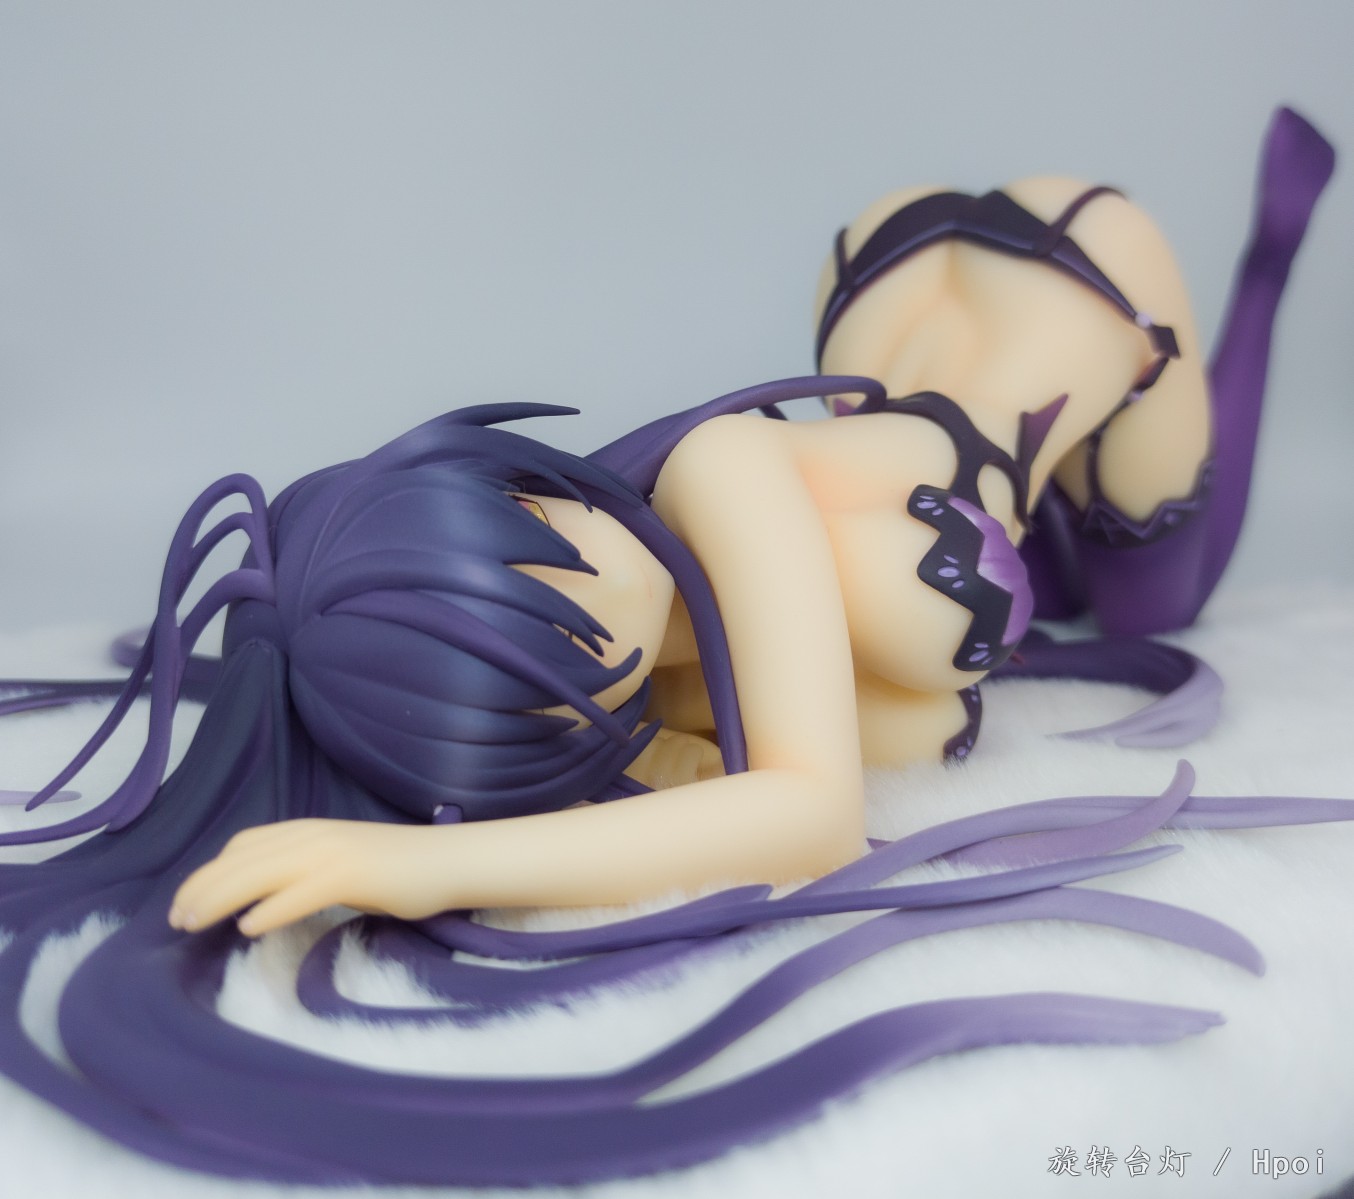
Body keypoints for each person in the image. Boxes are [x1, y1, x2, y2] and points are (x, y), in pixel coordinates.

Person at [0, 107, 1337, 1185]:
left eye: (536, 523)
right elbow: (729, 771)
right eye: (552, 640)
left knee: (1157, 602)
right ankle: (1045, 527)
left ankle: (1263, 270)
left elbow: (810, 819)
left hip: (1080, 276)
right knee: (1062, 587)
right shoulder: (623, 712)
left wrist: (413, 862)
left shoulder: (721, 467)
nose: (593, 561)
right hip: (897, 323)